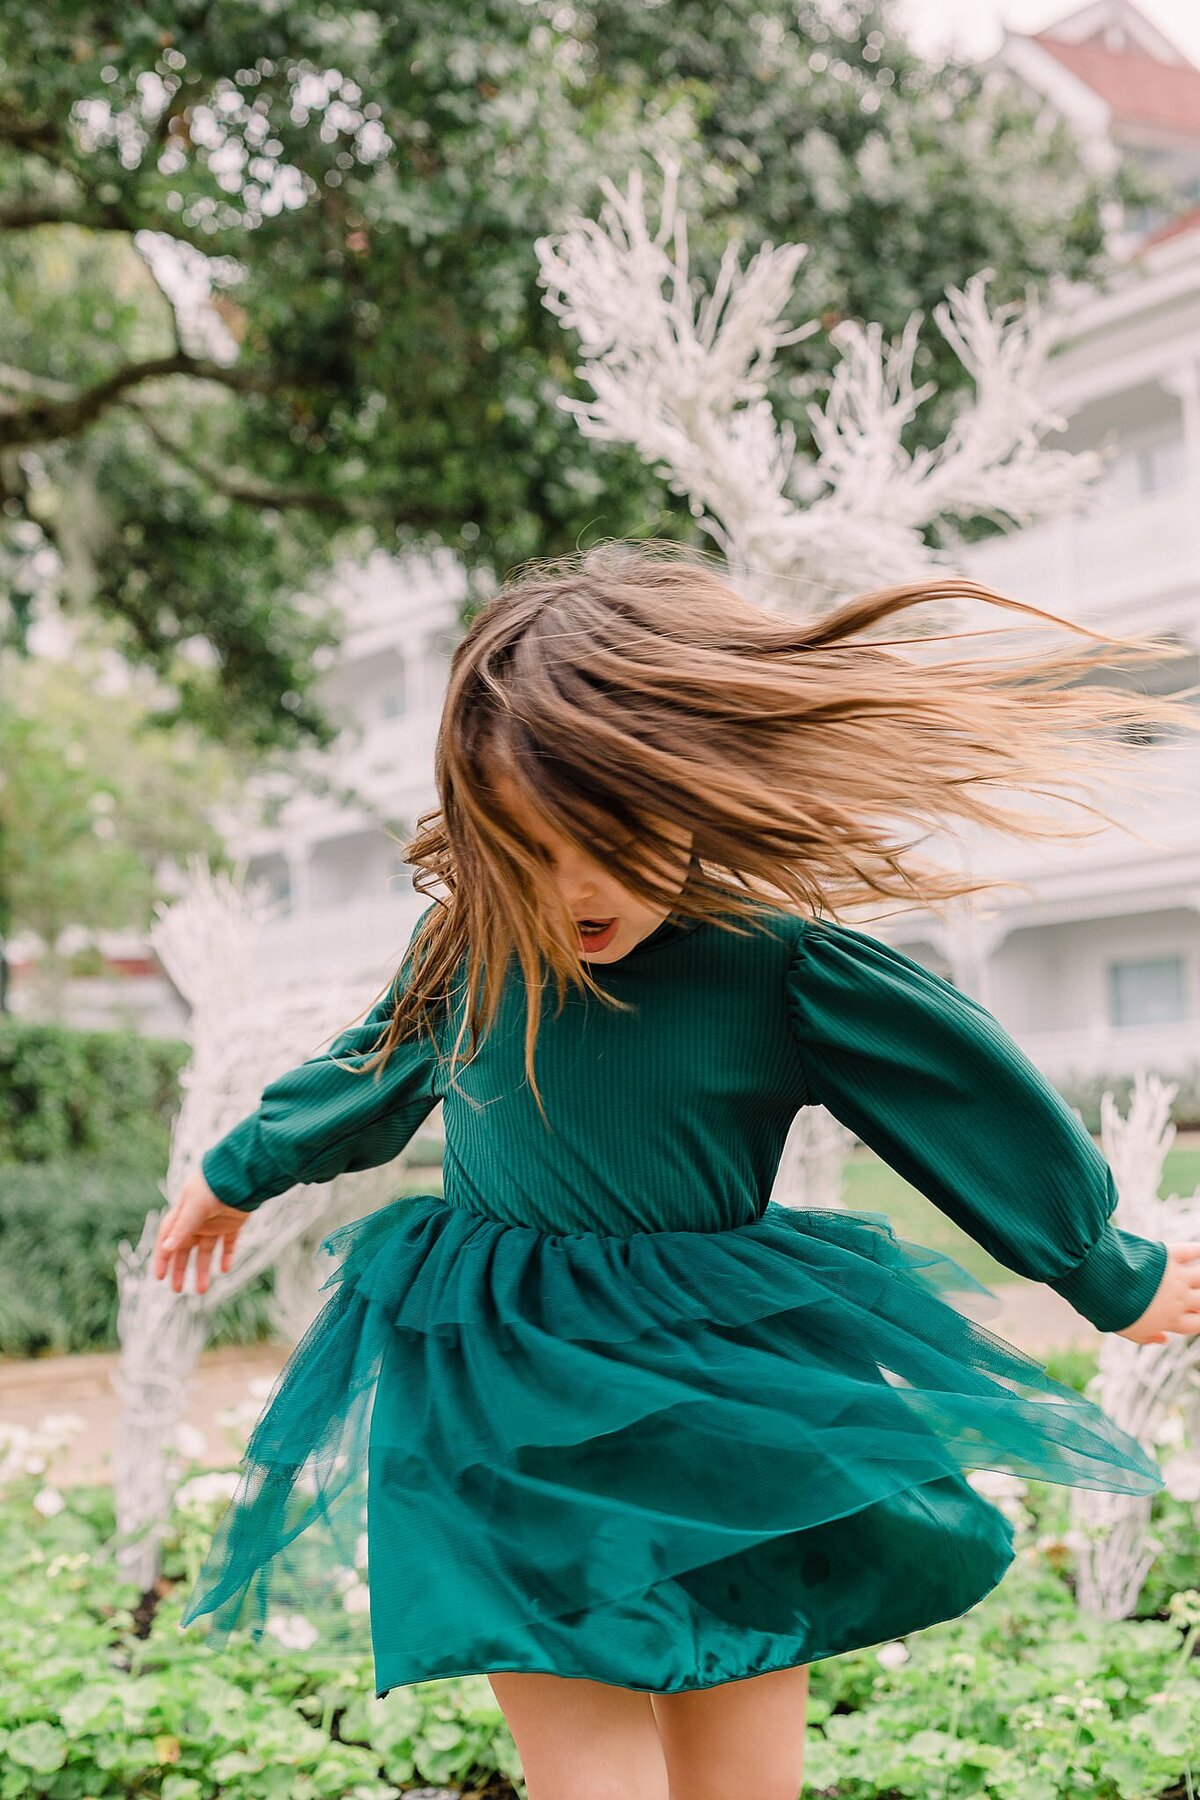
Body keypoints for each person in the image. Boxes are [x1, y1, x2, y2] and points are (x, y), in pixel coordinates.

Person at [154, 541, 1200, 1800]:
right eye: (527, 845)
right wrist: (234, 1169)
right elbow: (369, 1074)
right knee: (590, 1773)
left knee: (738, 1772)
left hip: (726, 1394)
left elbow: (965, 1099)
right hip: (501, 1387)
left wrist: (1109, 1270)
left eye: (612, 833)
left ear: (694, 786)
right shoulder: (475, 938)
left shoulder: (775, 966)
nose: (573, 888)